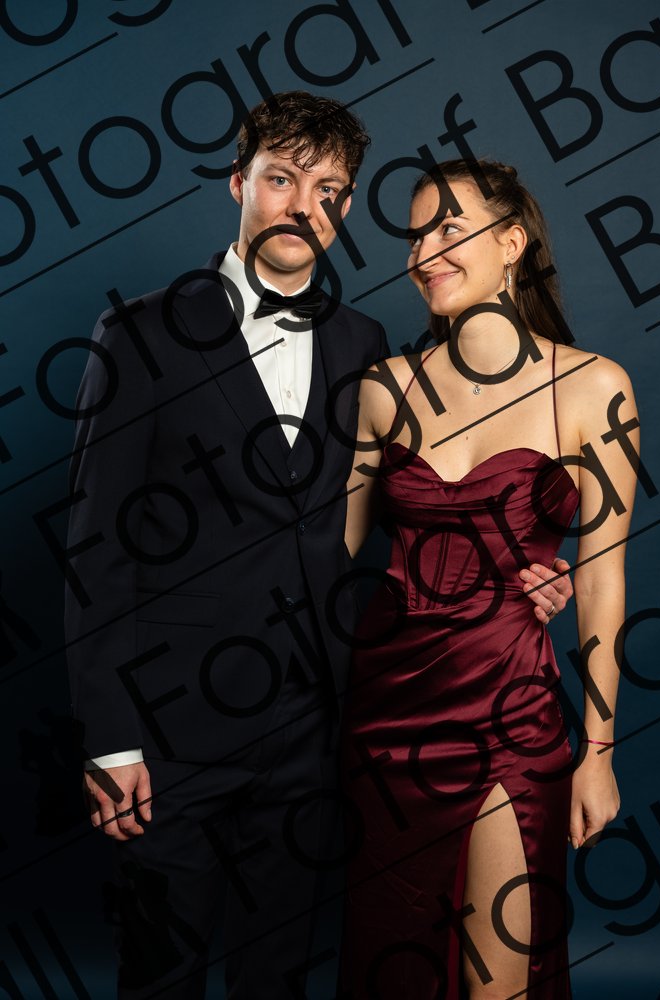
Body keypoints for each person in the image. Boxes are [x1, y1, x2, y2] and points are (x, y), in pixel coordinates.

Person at [65, 92, 573, 999]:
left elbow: (404, 514)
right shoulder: (138, 333)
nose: (303, 206)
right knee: (159, 975)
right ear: (239, 183)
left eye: (329, 191)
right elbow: (95, 550)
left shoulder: (362, 345)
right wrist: (110, 742)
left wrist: (518, 566)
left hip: (315, 729)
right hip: (168, 737)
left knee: (280, 975)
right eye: (283, 179)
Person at [340, 159, 636, 999]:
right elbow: (322, 560)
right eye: (413, 237)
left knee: (498, 981)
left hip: (509, 711)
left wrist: (598, 754)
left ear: (511, 243)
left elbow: (603, 584)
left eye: (447, 229)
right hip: (384, 717)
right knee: (393, 970)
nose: (423, 253)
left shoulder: (592, 386)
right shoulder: (383, 388)